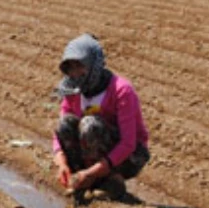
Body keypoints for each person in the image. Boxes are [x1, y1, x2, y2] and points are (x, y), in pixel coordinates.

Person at [51, 33, 150, 198]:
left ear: (93, 64)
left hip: (130, 156)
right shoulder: (73, 90)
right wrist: (61, 162)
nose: (75, 73)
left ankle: (109, 179)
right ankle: (82, 179)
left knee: (90, 124)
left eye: (79, 66)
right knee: (64, 124)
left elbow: (128, 143)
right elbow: (60, 132)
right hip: (91, 152)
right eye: (71, 68)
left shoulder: (121, 90)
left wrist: (92, 172)